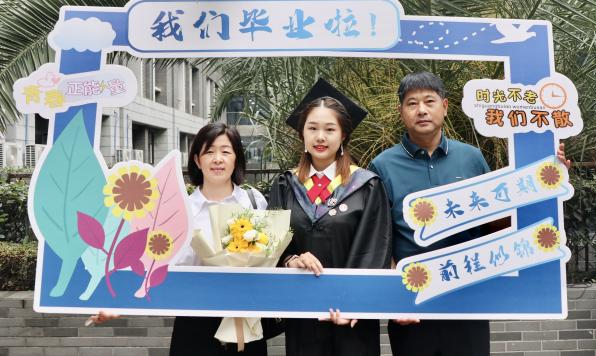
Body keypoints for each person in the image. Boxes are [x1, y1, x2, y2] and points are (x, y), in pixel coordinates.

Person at [368, 71, 570, 356]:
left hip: (468, 297)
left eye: (429, 101)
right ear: (401, 111)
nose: (421, 110)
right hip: (413, 302)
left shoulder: (471, 157)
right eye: (412, 103)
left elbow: (496, 221)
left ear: (445, 107)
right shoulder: (382, 165)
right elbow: (380, 238)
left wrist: (546, 178)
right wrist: (396, 299)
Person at [89, 122, 269, 356]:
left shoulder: (254, 203)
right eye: (209, 152)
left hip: (244, 322)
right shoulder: (179, 210)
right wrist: (118, 305)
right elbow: (151, 266)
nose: (217, 159)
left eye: (226, 151)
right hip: (194, 324)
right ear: (197, 160)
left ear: (237, 159)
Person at [269, 78, 392, 356]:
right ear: (302, 134)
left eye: (329, 129)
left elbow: (374, 248)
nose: (320, 137)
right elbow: (273, 244)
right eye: (312, 128)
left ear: (343, 135)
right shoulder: (286, 185)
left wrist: (354, 304)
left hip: (351, 318)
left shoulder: (366, 185)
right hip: (303, 312)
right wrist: (291, 260)